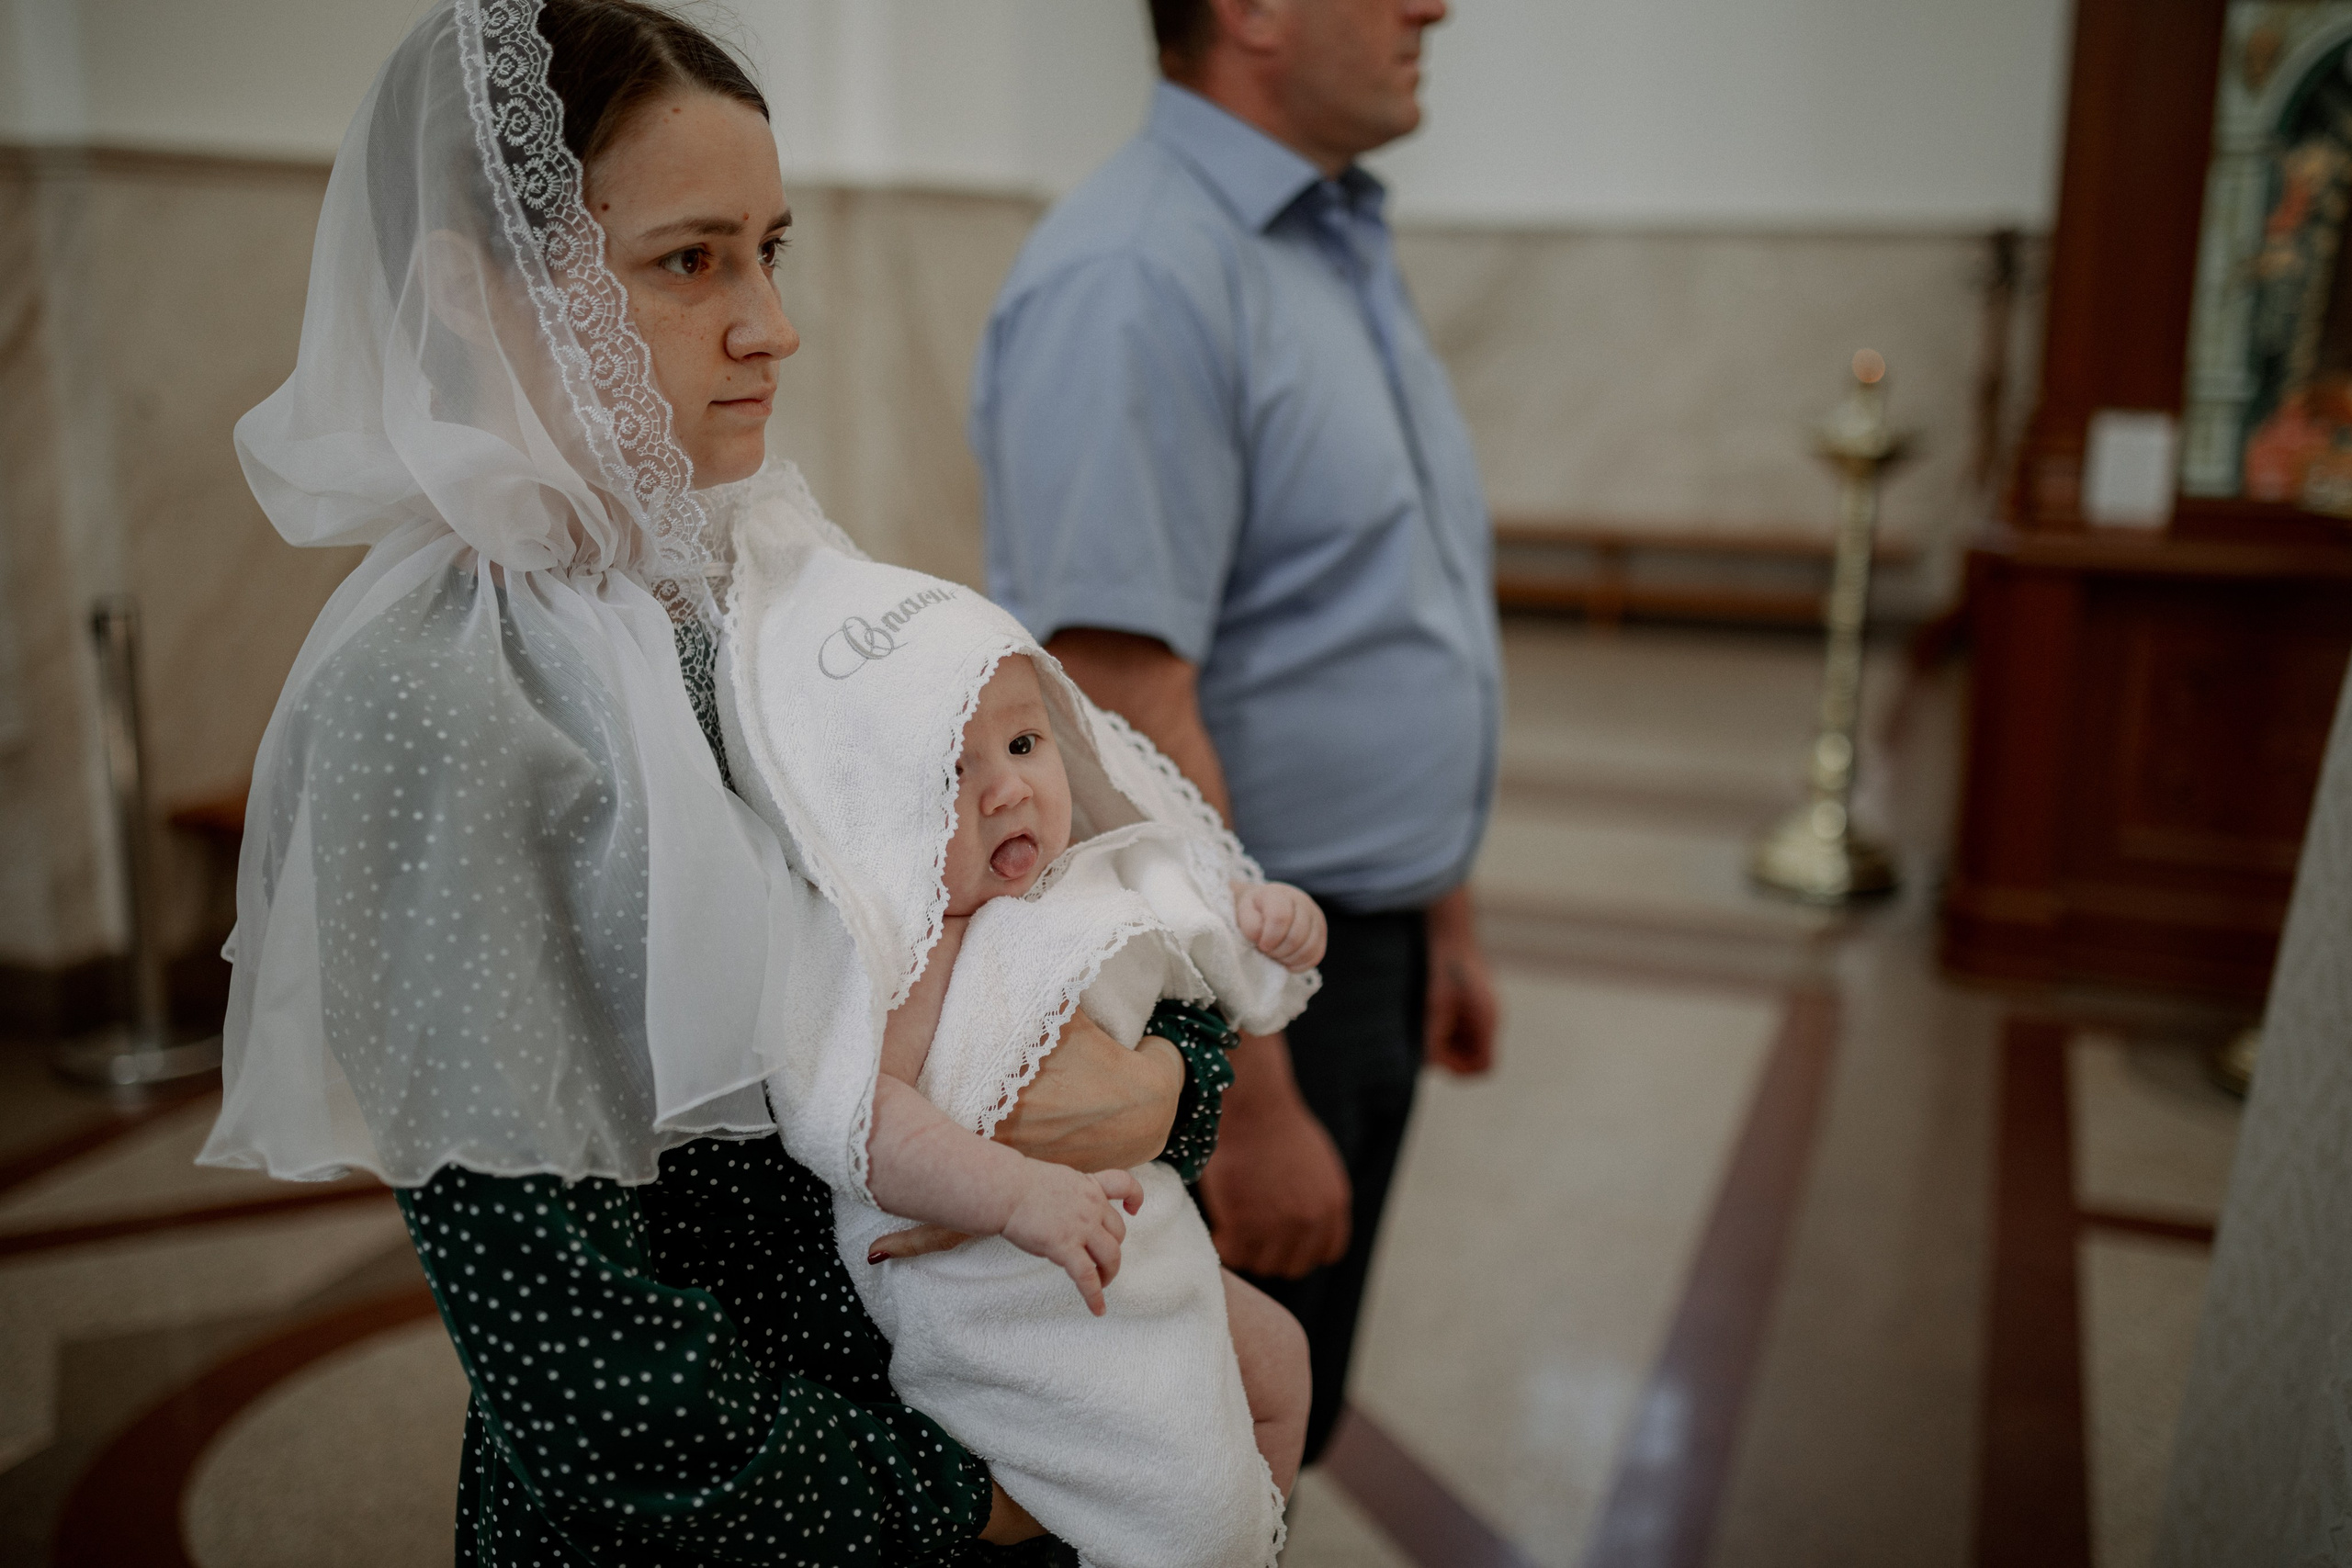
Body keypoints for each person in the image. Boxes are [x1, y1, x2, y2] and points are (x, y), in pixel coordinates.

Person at [198, 2, 1235, 1560]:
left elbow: (1083, 898)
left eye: (771, 250)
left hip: (989, 1383)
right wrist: (970, 1500)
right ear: (471, 291)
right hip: (786, 1511)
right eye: (690, 260)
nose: (771, 325)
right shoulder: (437, 700)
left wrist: (1170, 1091)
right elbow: (576, 1353)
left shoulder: (773, 582)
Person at [969, 0, 1501, 1461]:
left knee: (1279, 1419)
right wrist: (1251, 1103)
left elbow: (1387, 605)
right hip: (1240, 988)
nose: (1434, 7)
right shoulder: (1140, 271)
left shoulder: (1323, 236)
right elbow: (1118, 710)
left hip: (1360, 938)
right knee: (1194, 1460)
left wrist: (1444, 918)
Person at [718, 530, 1326, 1562]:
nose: (1005, 789)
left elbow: (1200, 935)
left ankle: (1246, 1538)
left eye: (1023, 743)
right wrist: (1013, 1195)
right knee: (1184, 1502)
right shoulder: (905, 955)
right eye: (951, 770)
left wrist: (1266, 917)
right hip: (1008, 1282)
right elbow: (860, 1117)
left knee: (1280, 1362)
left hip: (1139, 1238)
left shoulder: (1090, 873)